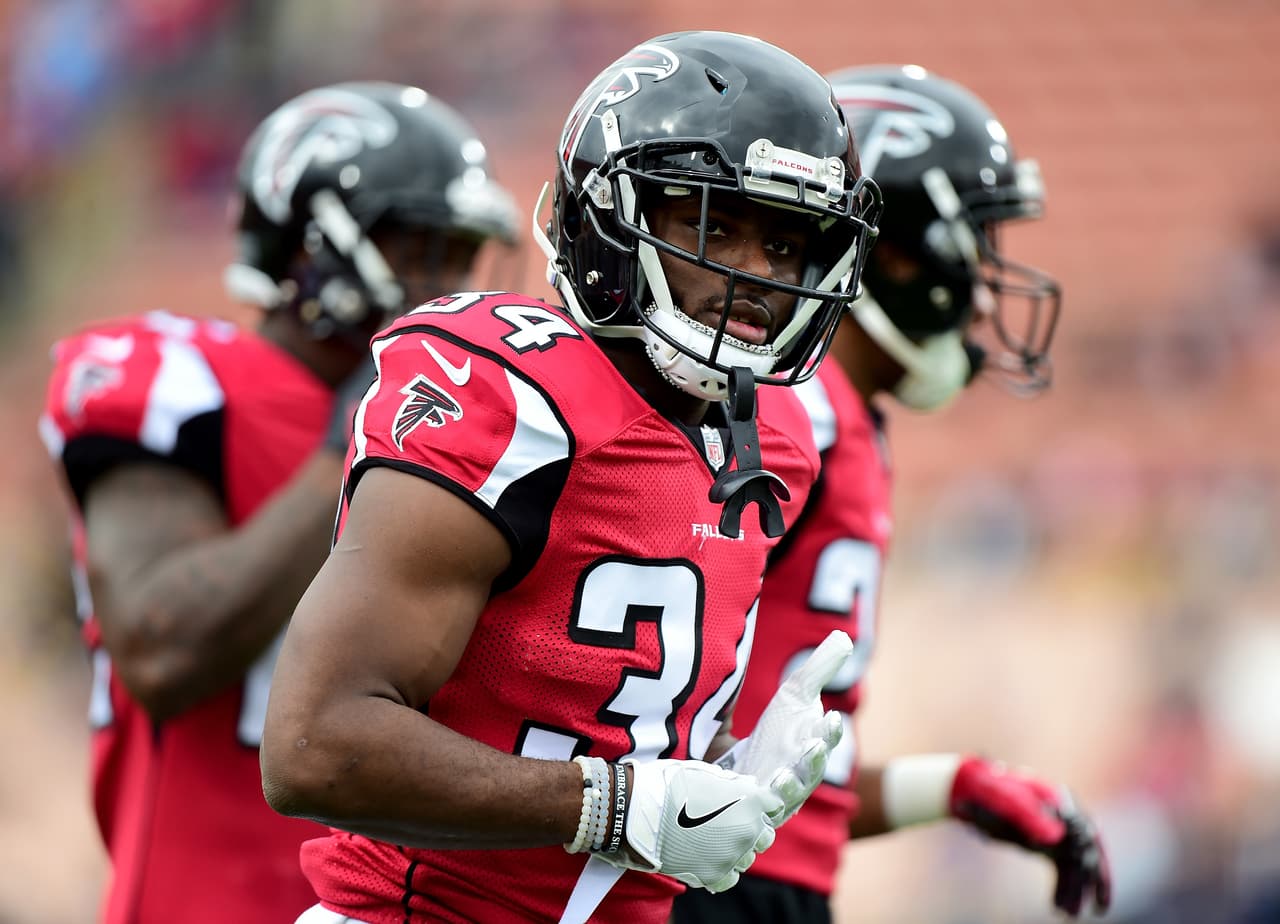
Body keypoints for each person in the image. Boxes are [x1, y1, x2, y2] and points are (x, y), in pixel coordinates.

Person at [258, 30, 883, 924]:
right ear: (610, 219)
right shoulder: (506, 390)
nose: (752, 277)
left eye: (786, 247)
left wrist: (727, 777)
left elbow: (619, 730)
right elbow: (316, 744)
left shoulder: (776, 434)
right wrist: (616, 809)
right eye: (712, 224)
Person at [38, 81, 519, 924]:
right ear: (310, 248)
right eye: (420, 250)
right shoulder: (184, 382)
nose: (447, 285)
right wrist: (357, 440)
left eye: (460, 255)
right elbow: (161, 645)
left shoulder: (491, 423)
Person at [672, 65, 1111, 924]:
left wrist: (950, 787)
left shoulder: (839, 416)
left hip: (754, 881)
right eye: (974, 247)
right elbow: (654, 724)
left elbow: (778, 782)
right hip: (702, 889)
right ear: (895, 248)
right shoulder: (798, 411)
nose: (985, 290)